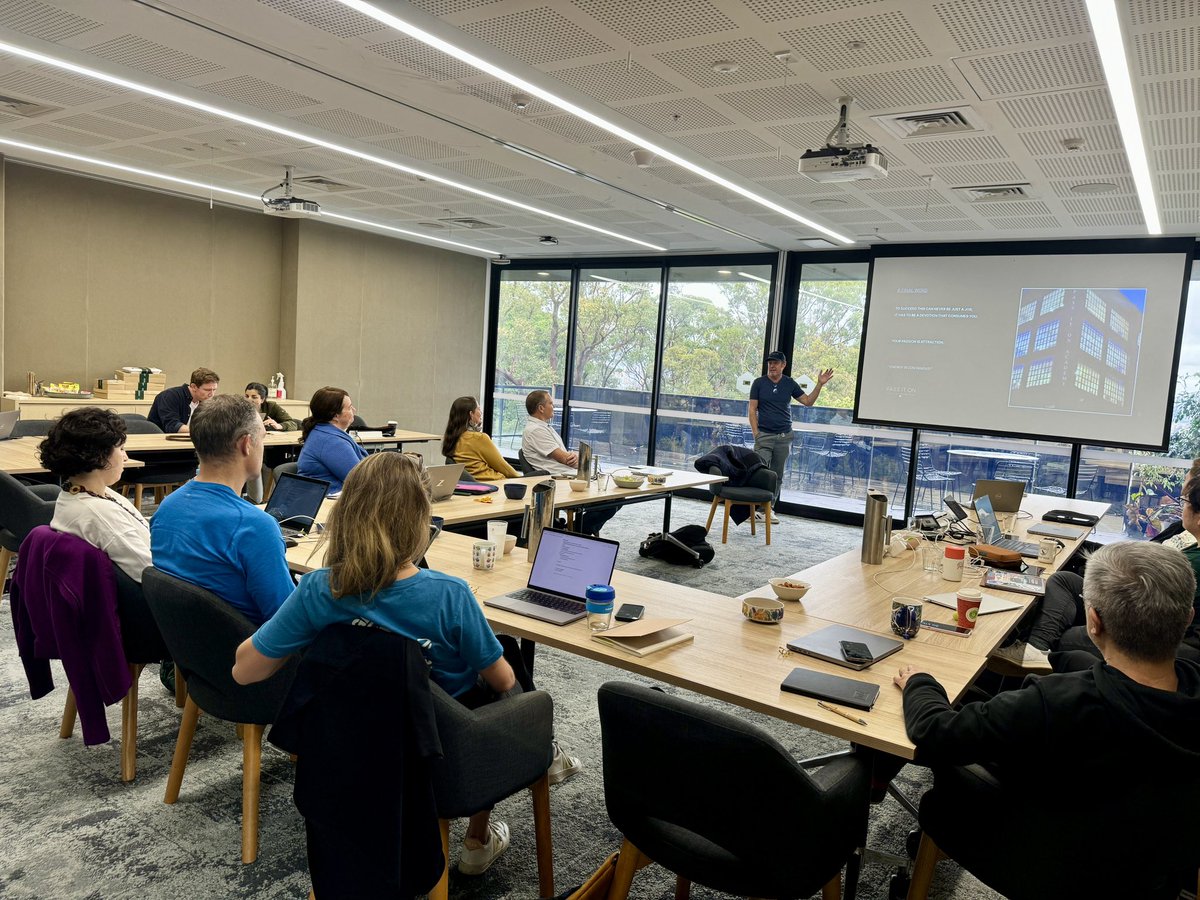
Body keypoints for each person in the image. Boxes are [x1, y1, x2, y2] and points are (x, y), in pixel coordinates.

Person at [230, 452, 580, 875]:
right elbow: (504, 680)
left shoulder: (320, 590)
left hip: (349, 751)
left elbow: (244, 672)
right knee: (508, 660)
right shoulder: (450, 595)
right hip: (443, 756)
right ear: (420, 522)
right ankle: (478, 836)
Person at [893, 541, 1200, 895]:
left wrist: (919, 682)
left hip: (1046, 858)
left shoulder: (1056, 702)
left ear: (1093, 622)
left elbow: (936, 732)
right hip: (1150, 872)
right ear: (1187, 618)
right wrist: (1060, 661)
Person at [993, 475, 1200, 673]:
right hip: (1132, 602)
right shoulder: (1188, 539)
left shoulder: (1192, 562)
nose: (1181, 507)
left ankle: (1031, 654)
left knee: (1062, 634)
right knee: (1064, 580)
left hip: (1137, 620)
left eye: (1185, 501)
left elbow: (1141, 590)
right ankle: (1035, 649)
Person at [150, 394, 293, 625]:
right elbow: (288, 622)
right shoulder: (255, 527)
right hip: (259, 653)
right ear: (247, 444)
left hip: (194, 649)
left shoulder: (167, 507)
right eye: (263, 438)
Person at [39, 408, 151, 583]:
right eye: (121, 449)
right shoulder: (100, 514)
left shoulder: (81, 493)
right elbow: (150, 573)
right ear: (100, 456)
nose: (126, 457)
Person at [747, 351, 832, 521]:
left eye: (776, 363)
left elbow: (808, 402)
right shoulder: (758, 383)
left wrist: (819, 385)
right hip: (764, 435)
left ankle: (768, 510)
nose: (772, 366)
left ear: (783, 365)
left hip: (784, 436)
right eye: (770, 363)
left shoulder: (789, 383)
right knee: (759, 472)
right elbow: (752, 409)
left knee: (777, 475)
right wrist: (756, 434)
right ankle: (754, 509)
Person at [521, 390, 615, 536]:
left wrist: (575, 458)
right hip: (558, 479)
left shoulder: (544, 427)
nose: (554, 406)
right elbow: (565, 459)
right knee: (611, 500)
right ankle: (576, 532)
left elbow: (568, 457)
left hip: (568, 475)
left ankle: (575, 530)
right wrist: (579, 459)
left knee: (613, 498)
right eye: (551, 403)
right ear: (541, 408)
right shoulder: (535, 430)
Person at [296, 386, 368, 493]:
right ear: (335, 416)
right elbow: (361, 480)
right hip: (328, 501)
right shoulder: (330, 441)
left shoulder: (322, 431)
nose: (354, 410)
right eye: (349, 407)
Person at [443, 396, 518, 481]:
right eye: (478, 409)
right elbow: (504, 468)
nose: (481, 412)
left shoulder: (452, 438)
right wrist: (522, 478)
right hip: (495, 484)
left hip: (477, 486)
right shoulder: (479, 438)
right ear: (471, 414)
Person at [148, 367, 219, 434]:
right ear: (193, 387)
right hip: (162, 442)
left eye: (214, 389)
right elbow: (172, 426)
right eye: (207, 390)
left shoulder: (205, 400)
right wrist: (203, 432)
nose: (211, 394)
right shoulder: (170, 396)